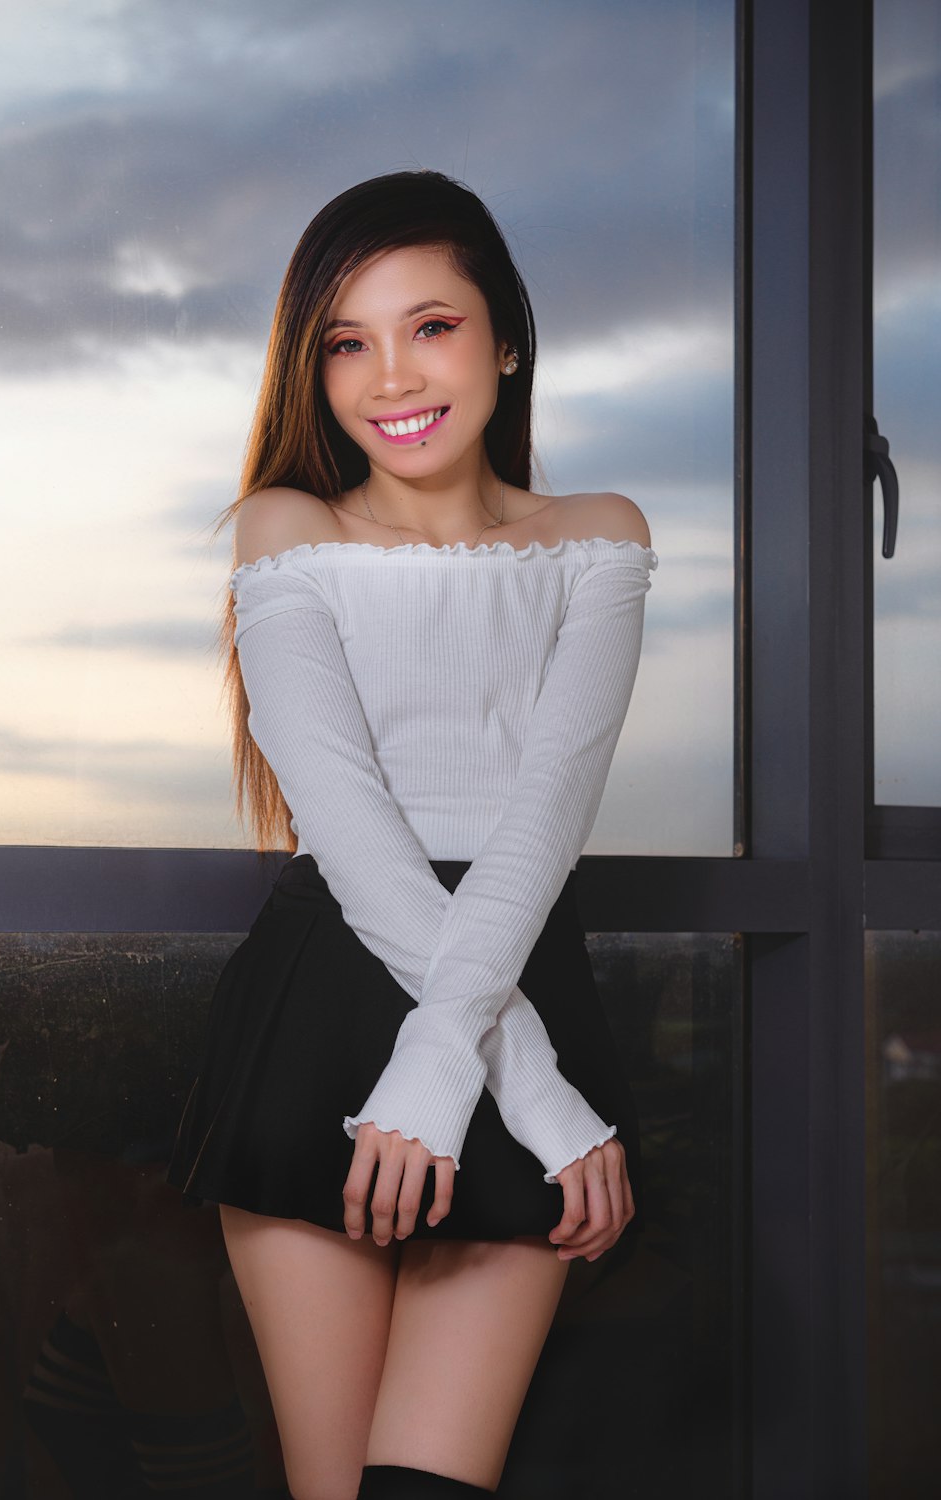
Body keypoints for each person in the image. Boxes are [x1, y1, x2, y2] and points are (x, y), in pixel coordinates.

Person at [166, 168, 658, 1500]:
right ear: (313, 371)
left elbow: (545, 814)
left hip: (509, 992)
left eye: (430, 325)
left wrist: (474, 1079)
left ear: (505, 339)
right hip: (327, 1003)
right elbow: (354, 833)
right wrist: (534, 1094)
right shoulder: (286, 532)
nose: (392, 374)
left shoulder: (599, 539)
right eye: (346, 341)